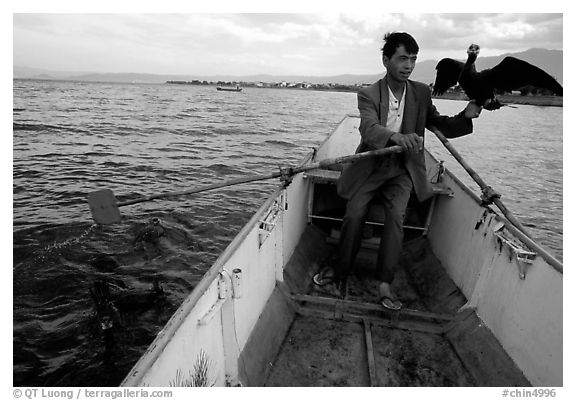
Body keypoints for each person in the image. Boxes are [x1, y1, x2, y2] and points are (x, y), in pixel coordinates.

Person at [313, 32, 482, 310]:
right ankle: (341, 268)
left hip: (402, 169)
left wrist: (465, 116)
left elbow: (439, 124)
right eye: (403, 58)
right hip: (370, 165)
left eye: (413, 59)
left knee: (396, 218)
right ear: (386, 60)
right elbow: (368, 128)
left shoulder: (421, 92)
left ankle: (384, 283)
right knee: (354, 214)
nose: (409, 65)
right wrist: (396, 137)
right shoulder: (368, 94)